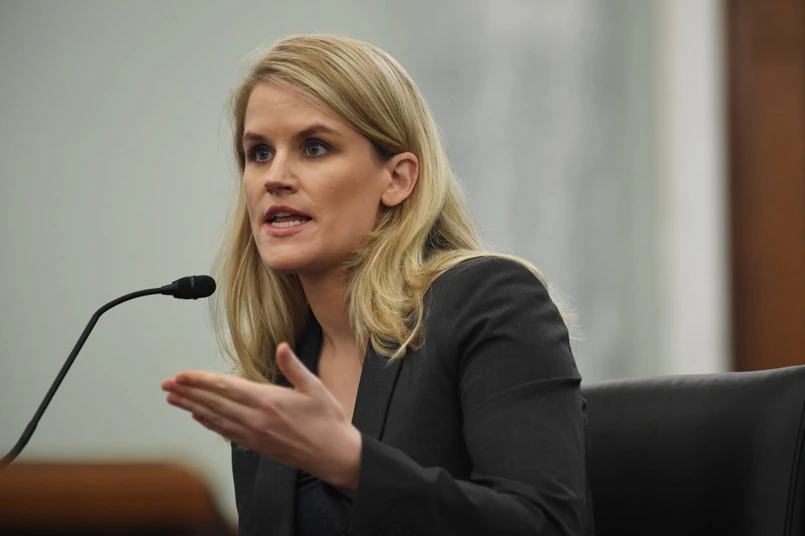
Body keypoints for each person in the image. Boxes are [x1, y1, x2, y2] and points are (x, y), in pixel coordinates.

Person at [161, 34, 594, 536]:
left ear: (397, 179)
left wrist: (352, 465)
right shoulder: (276, 372)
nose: (274, 177)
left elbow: (548, 525)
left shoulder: (489, 302)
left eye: (314, 147)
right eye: (258, 152)